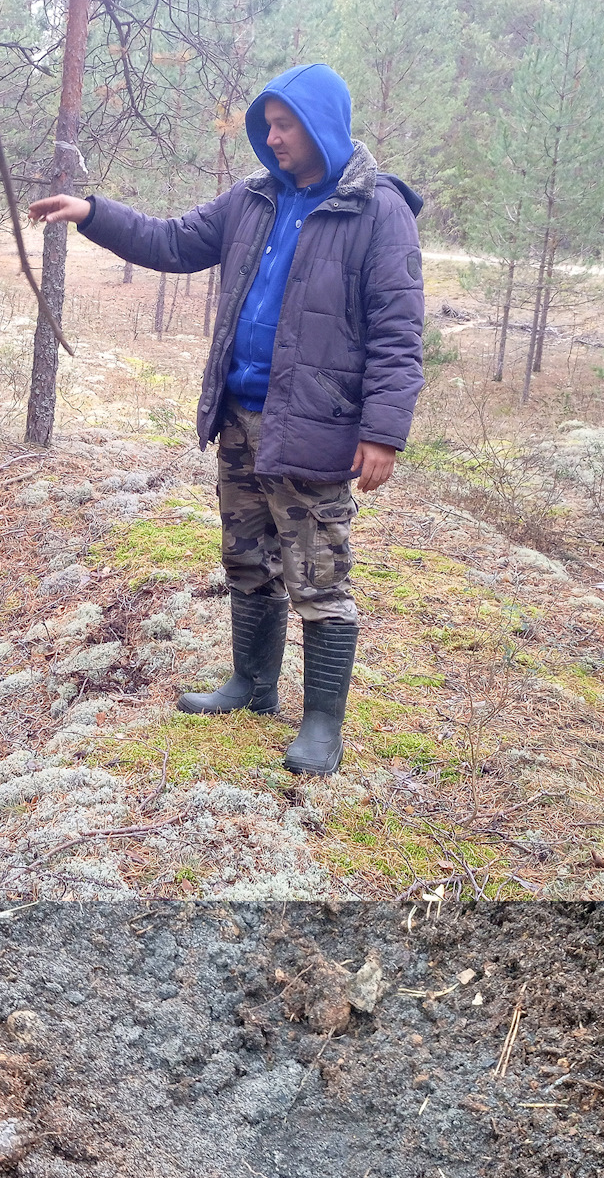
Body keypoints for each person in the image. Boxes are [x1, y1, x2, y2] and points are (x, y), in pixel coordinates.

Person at [29, 62, 423, 776]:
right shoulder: (251, 199)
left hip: (317, 425)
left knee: (318, 576)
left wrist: (382, 431)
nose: (270, 139)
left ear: (321, 126)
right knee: (247, 559)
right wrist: (94, 213)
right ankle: (251, 686)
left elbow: (397, 331)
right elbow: (175, 242)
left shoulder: (377, 210)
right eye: (265, 125)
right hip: (240, 416)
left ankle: (322, 724)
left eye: (284, 126)